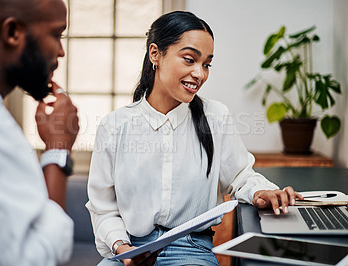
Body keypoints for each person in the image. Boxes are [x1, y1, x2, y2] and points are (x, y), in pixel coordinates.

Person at [86, 11, 304, 266]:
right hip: (129, 250)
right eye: (189, 59)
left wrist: (261, 192)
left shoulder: (216, 117)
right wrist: (123, 249)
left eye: (206, 64)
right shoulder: (114, 126)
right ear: (155, 53)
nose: (199, 74)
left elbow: (241, 177)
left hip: (191, 250)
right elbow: (103, 209)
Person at [0, 0, 80, 265]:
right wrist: (57, 150)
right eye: (56, 35)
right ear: (12, 33)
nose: (61, 51)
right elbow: (29, 260)